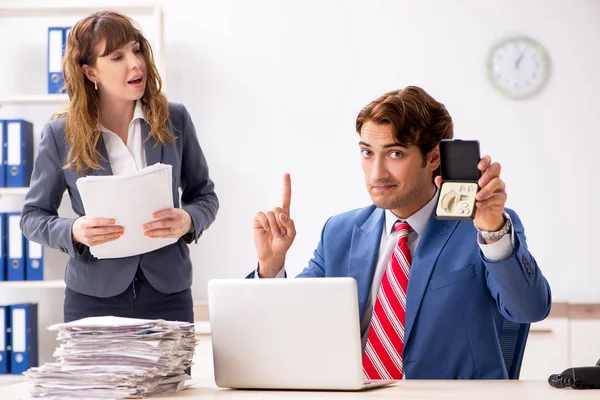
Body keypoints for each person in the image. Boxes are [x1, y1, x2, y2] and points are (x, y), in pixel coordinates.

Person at [249, 86, 551, 379]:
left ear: (432, 158)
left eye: (394, 154)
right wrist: (270, 266)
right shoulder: (339, 233)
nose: (376, 173)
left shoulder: (482, 229)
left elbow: (529, 309)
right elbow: (289, 325)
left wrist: (494, 231)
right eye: (367, 153)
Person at [20, 11, 218, 324]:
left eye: (137, 49)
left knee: (170, 377)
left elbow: (205, 195)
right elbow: (32, 217)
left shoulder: (175, 119)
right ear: (91, 72)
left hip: (169, 294)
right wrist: (74, 230)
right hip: (92, 298)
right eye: (116, 56)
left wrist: (188, 219)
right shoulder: (61, 134)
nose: (135, 62)